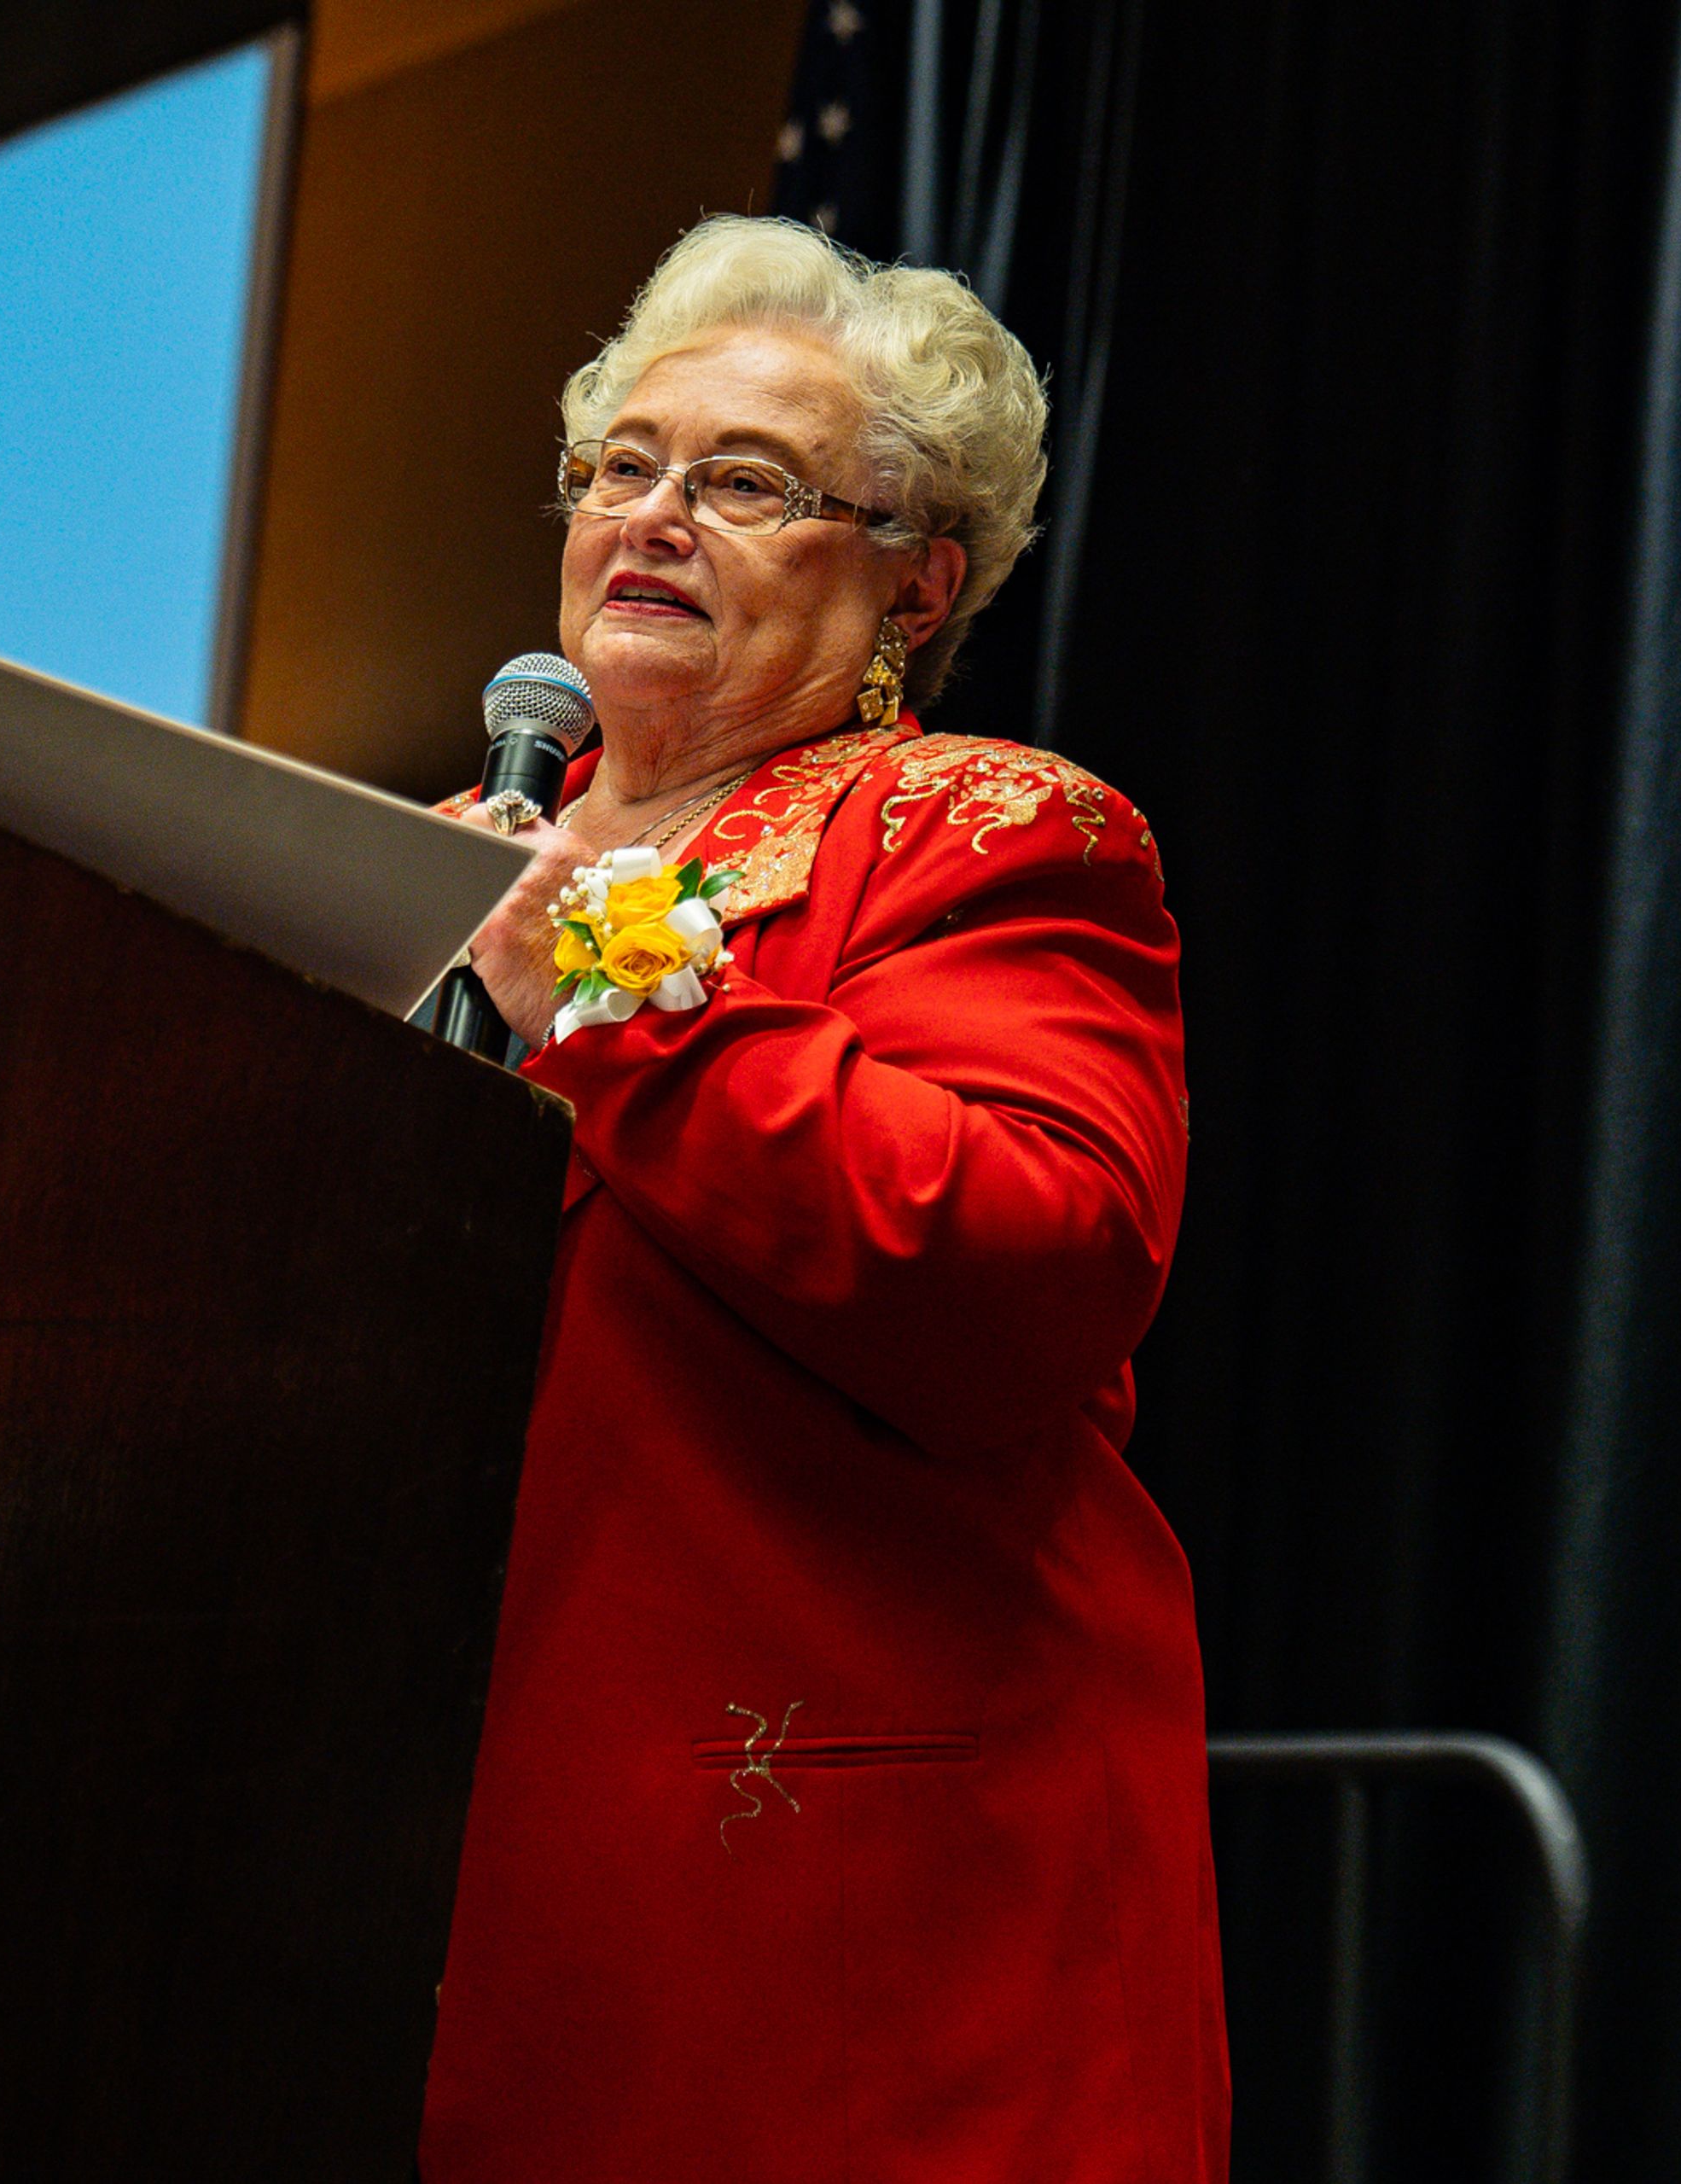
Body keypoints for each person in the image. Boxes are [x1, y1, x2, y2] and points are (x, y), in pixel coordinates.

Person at [420, 215, 1223, 2180]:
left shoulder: (992, 829)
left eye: (747, 483)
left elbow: (1035, 1261)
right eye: (624, 465)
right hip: (395, 1873)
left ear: (913, 584)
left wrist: (614, 995)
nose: (656, 515)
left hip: (826, 1907)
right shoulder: (413, 864)